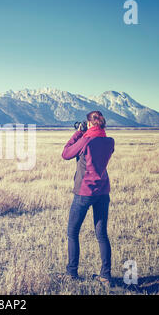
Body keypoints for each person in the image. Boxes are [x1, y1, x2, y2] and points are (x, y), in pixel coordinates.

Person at [60, 111, 115, 286]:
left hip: (84, 192)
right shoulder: (109, 141)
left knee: (72, 232)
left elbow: (66, 153)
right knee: (102, 235)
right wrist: (85, 132)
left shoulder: (85, 140)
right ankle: (105, 276)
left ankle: (71, 273)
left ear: (90, 124)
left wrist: (78, 132)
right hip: (103, 192)